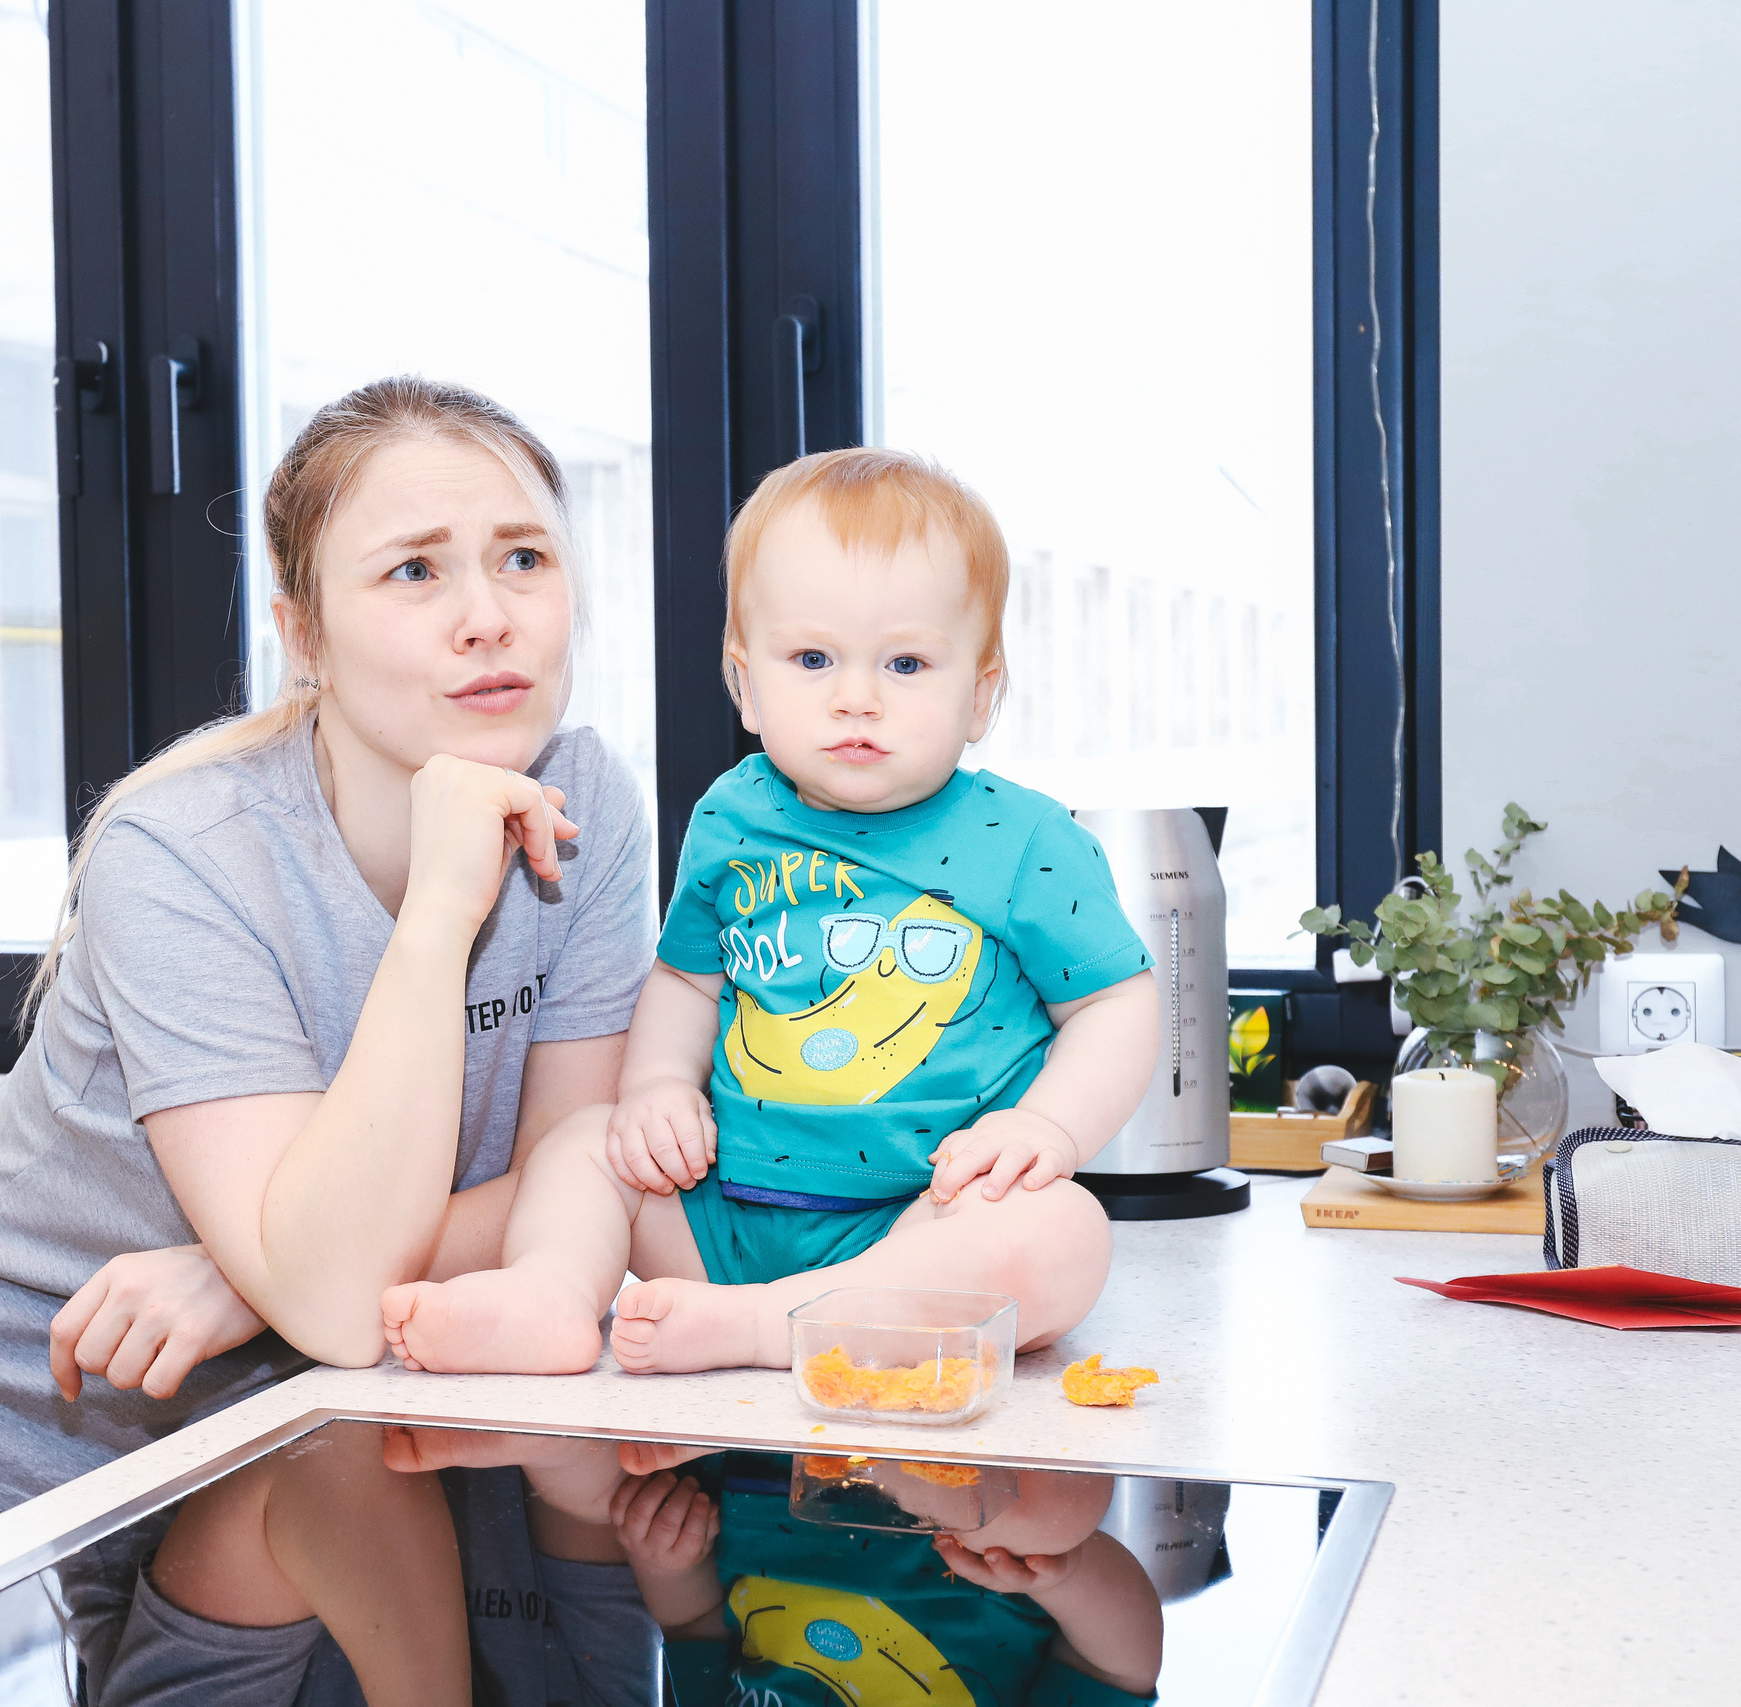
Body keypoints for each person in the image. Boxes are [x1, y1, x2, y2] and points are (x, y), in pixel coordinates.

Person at [0, 377, 658, 1700]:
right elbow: (341, 1295)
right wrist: (443, 906)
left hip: (250, 1433)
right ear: (305, 633)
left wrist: (248, 1281)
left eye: (524, 556)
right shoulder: (187, 847)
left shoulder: (589, 804)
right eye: (414, 570)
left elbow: (575, 1172)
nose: (489, 615)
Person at [381, 447, 1158, 1377]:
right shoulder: (731, 816)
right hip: (724, 1210)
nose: (856, 695)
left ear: (981, 692)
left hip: (923, 1220)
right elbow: (685, 978)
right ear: (747, 684)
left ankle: (770, 1325)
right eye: (813, 657)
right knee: (589, 1144)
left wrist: (1049, 1130)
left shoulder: (1024, 840)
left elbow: (1116, 1003)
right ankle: (551, 1294)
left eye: (906, 662)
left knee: (1061, 1233)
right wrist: (660, 1088)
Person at [609, 1445, 1163, 1704]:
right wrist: (1063, 1575)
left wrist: (666, 1563)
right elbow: (1119, 1667)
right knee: (1047, 1521)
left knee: (592, 1482)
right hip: (974, 1498)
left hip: (754, 1463)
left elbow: (691, 1626)